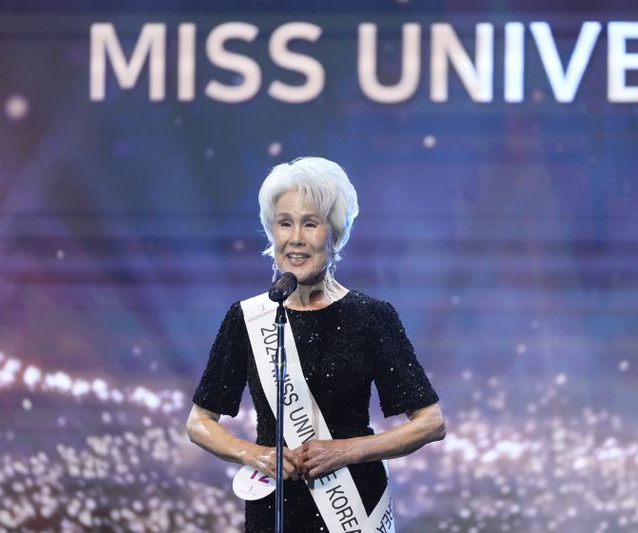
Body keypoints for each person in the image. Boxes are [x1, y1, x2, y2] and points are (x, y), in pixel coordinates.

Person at [186, 157, 445, 532]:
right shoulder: (248, 318)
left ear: (334, 234)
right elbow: (199, 422)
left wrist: (346, 450)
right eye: (284, 223)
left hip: (354, 502)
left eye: (310, 223)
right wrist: (256, 454)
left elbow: (430, 423)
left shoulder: (371, 316)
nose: (295, 238)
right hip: (275, 505)